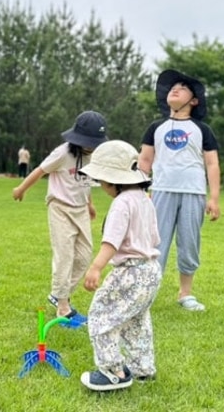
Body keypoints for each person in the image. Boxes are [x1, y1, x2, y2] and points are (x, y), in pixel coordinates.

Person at [78, 140, 162, 392]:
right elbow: (155, 238)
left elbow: (111, 242)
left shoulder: (122, 203)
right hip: (151, 270)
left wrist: (95, 267)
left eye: (103, 181)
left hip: (130, 272)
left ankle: (114, 371)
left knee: (102, 315)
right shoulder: (145, 200)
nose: (102, 187)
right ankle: (143, 368)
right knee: (137, 321)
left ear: (114, 180)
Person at [12, 111, 108, 321]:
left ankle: (59, 295)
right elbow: (39, 170)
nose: (91, 146)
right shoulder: (62, 153)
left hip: (81, 209)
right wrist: (21, 189)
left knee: (83, 257)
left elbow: (85, 182)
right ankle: (63, 306)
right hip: (60, 208)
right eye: (88, 142)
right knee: (64, 255)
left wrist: (90, 204)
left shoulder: (93, 156)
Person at [138, 69, 220, 312]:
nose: (175, 89)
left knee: (189, 243)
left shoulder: (202, 130)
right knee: (156, 244)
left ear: (193, 101)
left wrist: (214, 197)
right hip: (161, 190)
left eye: (183, 87)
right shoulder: (156, 127)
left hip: (193, 192)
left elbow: (212, 163)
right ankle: (146, 295)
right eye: (172, 87)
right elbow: (144, 161)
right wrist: (140, 192)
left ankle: (185, 294)